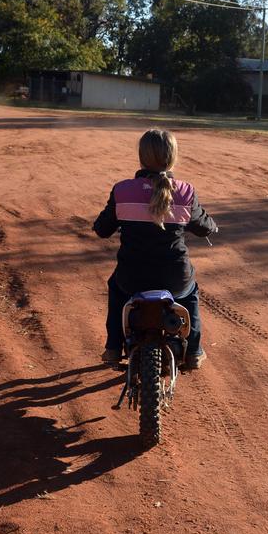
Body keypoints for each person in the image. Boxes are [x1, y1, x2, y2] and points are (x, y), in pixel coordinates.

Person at [93, 129, 217, 369]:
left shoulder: (122, 190)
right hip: (175, 279)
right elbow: (203, 227)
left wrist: (101, 225)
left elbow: (103, 229)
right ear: (173, 157)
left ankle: (112, 347)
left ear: (141, 157)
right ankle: (193, 350)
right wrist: (211, 227)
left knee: (116, 288)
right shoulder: (185, 192)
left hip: (132, 278)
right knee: (191, 293)